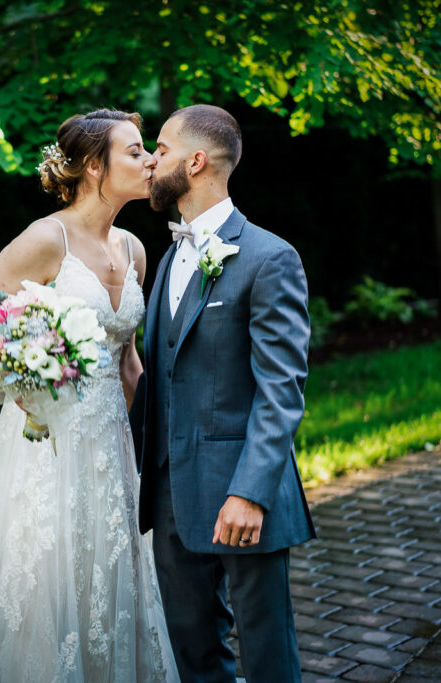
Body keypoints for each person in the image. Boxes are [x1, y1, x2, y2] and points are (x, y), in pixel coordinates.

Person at [0, 109, 179, 682]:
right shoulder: (44, 238)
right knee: (49, 580)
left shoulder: (133, 249)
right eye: (135, 152)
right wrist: (31, 375)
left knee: (112, 572)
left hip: (112, 441)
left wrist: (157, 445)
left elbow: (129, 362)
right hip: (46, 442)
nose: (151, 160)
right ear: (91, 166)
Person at [130, 104, 316, 682]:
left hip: (241, 487)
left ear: (195, 160)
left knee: (264, 647)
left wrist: (251, 493)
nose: (150, 161)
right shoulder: (167, 259)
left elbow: (281, 389)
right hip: (168, 489)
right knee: (193, 647)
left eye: (158, 148)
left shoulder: (269, 258)